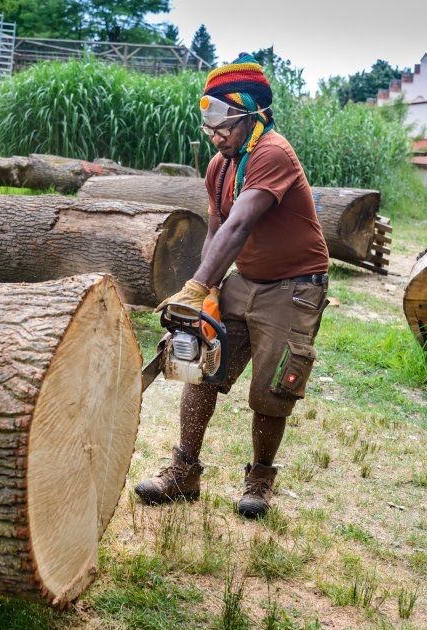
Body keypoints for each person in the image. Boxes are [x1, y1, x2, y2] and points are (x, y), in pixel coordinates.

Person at [134, 53, 330, 519]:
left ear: (252, 114)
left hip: (294, 287)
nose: (215, 135)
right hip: (245, 281)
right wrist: (211, 291)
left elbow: (241, 223)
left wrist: (196, 285)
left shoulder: (272, 153)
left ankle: (259, 481)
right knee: (201, 365)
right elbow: (219, 231)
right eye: (209, 126)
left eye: (224, 124)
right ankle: (184, 473)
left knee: (271, 388)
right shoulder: (219, 167)